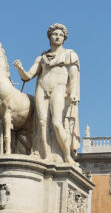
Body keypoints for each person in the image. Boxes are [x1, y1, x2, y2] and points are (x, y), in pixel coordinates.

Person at [13, 23, 80, 165]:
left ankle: (67, 155)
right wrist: (20, 69)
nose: (57, 36)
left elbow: (73, 77)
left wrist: (73, 94)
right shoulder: (42, 57)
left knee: (56, 123)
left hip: (59, 88)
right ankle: (46, 154)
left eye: (60, 35)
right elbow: (28, 76)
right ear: (49, 37)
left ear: (64, 38)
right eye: (55, 34)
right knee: (41, 123)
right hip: (42, 89)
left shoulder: (70, 55)